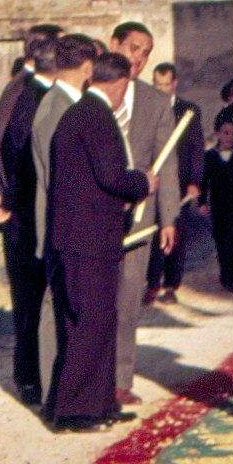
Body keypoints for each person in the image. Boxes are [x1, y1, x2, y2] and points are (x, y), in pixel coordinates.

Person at [45, 51, 154, 430]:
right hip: (88, 241)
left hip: (83, 239)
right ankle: (76, 410)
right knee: (91, 323)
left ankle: (100, 401)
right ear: (120, 82)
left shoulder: (80, 114)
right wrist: (143, 182)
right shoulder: (96, 116)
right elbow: (112, 176)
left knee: (99, 320)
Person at [107, 22, 183, 412]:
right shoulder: (91, 93)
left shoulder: (156, 103)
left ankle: (121, 380)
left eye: (145, 52)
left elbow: (166, 163)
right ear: (113, 44)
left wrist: (168, 217)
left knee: (129, 297)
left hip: (140, 220)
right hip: (98, 216)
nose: (137, 58)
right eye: (132, 48)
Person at [0, 30, 59, 401]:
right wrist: (11, 195)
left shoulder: (15, 90)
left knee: (29, 300)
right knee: (34, 299)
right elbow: (20, 157)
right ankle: (33, 378)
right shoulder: (35, 98)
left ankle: (31, 374)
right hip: (31, 215)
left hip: (20, 212)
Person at [146, 62, 204, 303]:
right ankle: (152, 284)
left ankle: (171, 284)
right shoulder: (146, 109)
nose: (162, 90)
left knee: (176, 233)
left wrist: (194, 181)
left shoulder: (189, 111)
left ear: (174, 83)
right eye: (157, 85)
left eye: (166, 84)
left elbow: (196, 148)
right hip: (153, 180)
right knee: (151, 231)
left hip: (179, 182)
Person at [203, 111, 233, 290]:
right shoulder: (210, 156)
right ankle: (226, 273)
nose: (229, 137)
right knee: (221, 239)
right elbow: (204, 180)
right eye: (225, 133)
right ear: (217, 134)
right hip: (218, 204)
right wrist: (202, 202)